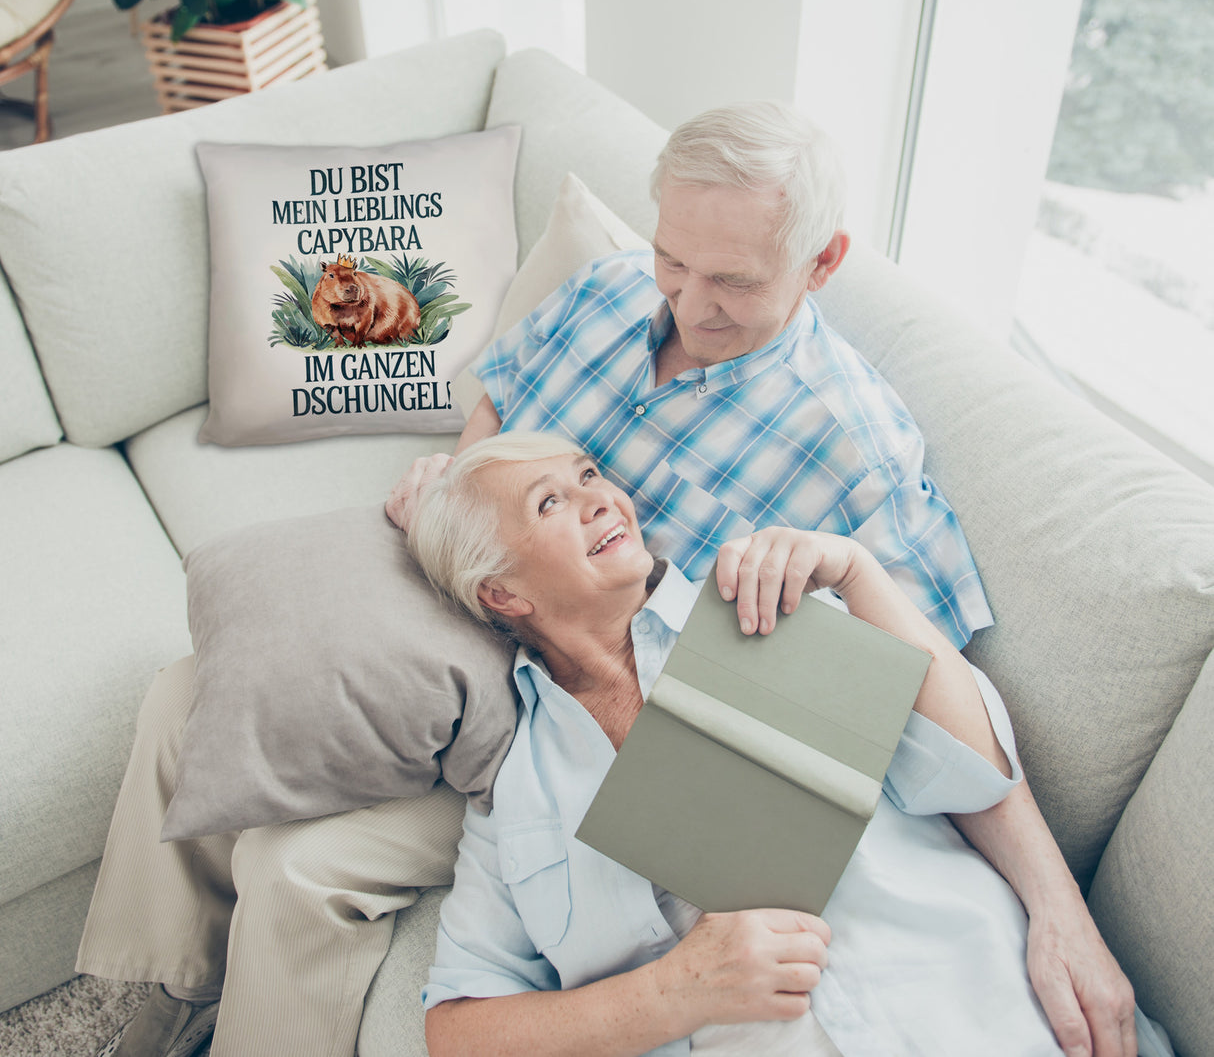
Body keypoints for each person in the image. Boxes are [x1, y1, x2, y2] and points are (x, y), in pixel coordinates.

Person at [388, 102, 1136, 1056]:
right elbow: (501, 389)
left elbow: (945, 729)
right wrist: (462, 502)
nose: (689, 305)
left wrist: (1058, 911)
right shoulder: (609, 293)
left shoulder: (831, 502)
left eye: (732, 281)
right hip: (493, 680)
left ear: (822, 263)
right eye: (674, 261)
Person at [407, 431, 1161, 1057]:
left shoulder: (762, 605)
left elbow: (973, 772)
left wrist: (859, 574)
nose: (601, 498)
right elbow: (458, 1031)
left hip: (985, 1010)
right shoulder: (517, 794)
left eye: (589, 475)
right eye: (551, 502)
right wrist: (674, 992)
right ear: (502, 593)